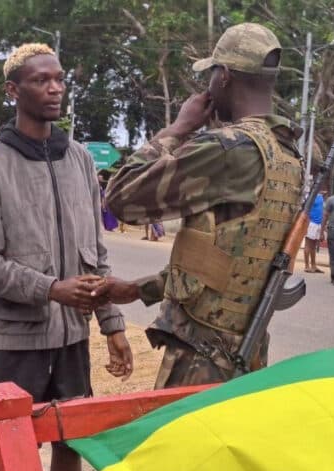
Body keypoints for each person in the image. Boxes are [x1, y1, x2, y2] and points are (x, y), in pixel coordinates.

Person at [91, 23, 304, 388]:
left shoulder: (227, 148)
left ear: (223, 77)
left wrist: (176, 130)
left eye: (210, 75)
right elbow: (226, 261)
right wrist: (141, 289)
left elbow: (121, 199)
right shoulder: (288, 156)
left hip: (201, 359)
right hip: (246, 357)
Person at [0, 43, 133, 471]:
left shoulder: (78, 159)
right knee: (9, 446)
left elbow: (94, 252)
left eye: (59, 78)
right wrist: (51, 288)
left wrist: (111, 325)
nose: (55, 88)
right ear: (12, 91)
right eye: (41, 80)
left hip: (72, 337)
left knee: (70, 442)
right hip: (16, 340)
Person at [304, 191, 325, 273]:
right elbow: (306, 209)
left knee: (314, 246)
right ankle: (306, 266)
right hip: (311, 222)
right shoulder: (309, 195)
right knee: (308, 244)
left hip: (318, 223)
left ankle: (313, 265)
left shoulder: (321, 196)